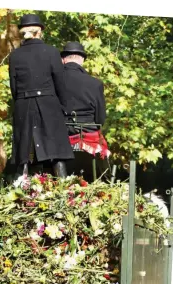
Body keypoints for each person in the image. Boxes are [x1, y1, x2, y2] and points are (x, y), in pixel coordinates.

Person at [9, 14, 74, 178]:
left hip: (23, 105)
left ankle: (20, 191)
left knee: (23, 153)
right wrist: (65, 108)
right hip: (49, 104)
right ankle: (64, 191)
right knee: (57, 151)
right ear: (39, 32)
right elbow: (61, 83)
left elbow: (14, 88)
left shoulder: (15, 55)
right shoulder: (52, 52)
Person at [60, 41, 110, 180]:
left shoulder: (52, 81)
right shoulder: (95, 83)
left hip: (60, 135)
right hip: (88, 135)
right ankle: (104, 180)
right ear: (81, 60)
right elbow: (100, 118)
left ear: (63, 59)